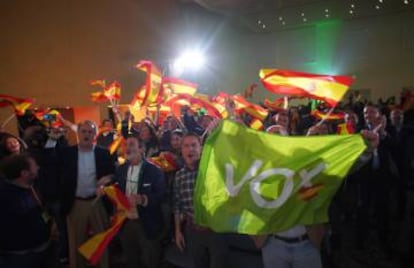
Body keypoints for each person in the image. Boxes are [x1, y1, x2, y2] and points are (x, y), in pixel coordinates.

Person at [59, 120, 115, 268]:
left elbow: (113, 174)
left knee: (101, 241)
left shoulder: (103, 153)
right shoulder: (67, 153)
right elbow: (52, 169)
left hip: (97, 202)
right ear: (78, 133)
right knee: (77, 242)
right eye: (83, 131)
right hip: (76, 203)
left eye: (90, 132)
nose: (86, 135)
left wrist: (108, 178)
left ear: (95, 135)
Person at [173, 133, 229, 268]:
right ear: (182, 150)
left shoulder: (212, 170)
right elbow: (177, 205)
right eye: (186, 146)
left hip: (215, 231)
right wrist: (178, 231)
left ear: (201, 149)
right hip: (193, 232)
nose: (190, 149)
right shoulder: (179, 176)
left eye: (194, 145)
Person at [113, 135, 166, 268]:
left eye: (131, 145)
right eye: (125, 145)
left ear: (142, 149)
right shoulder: (121, 169)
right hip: (126, 223)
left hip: (146, 223)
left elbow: (161, 196)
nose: (127, 148)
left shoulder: (154, 171)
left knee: (150, 260)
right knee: (131, 259)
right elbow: (117, 189)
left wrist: (143, 199)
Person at [0, 154, 51, 268]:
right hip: (21, 255)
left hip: (41, 248)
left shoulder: (31, 186)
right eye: (34, 166)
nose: (38, 167)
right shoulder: (6, 197)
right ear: (24, 173)